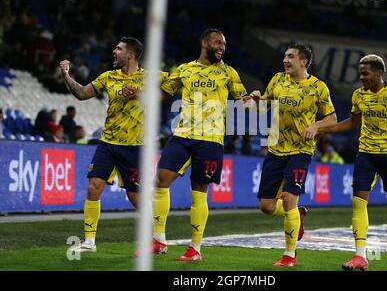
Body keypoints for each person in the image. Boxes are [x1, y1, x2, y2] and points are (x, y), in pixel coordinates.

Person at [305, 54, 387, 271]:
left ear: (379, 73)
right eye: (360, 74)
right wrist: (323, 128)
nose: (362, 78)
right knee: (358, 202)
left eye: (365, 74)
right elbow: (352, 123)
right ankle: (360, 256)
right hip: (365, 155)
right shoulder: (358, 95)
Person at [147, 29, 248, 261]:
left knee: (199, 191)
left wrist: (251, 102)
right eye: (217, 42)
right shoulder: (185, 69)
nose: (222, 47)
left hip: (210, 140)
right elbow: (163, 93)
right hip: (182, 135)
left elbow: (243, 100)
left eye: (224, 43)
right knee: (161, 181)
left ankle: (195, 248)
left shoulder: (228, 72)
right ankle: (159, 240)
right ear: (204, 43)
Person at [248, 44, 337, 267]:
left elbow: (332, 119)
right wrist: (257, 102)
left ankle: (289, 255)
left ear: (304, 61)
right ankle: (298, 214)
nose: (285, 60)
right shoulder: (277, 79)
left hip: (301, 151)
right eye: (285, 56)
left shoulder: (318, 87)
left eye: (290, 56)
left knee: (288, 199)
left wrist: (316, 126)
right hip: (275, 149)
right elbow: (264, 108)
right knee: (266, 206)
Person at [61, 37, 150, 252]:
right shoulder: (109, 77)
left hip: (133, 146)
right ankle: (89, 242)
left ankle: (156, 237)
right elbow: (82, 94)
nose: (113, 51)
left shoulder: (148, 79)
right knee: (93, 188)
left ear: (130, 55)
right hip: (108, 143)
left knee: (135, 197)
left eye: (118, 49)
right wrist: (65, 74)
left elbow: (164, 93)